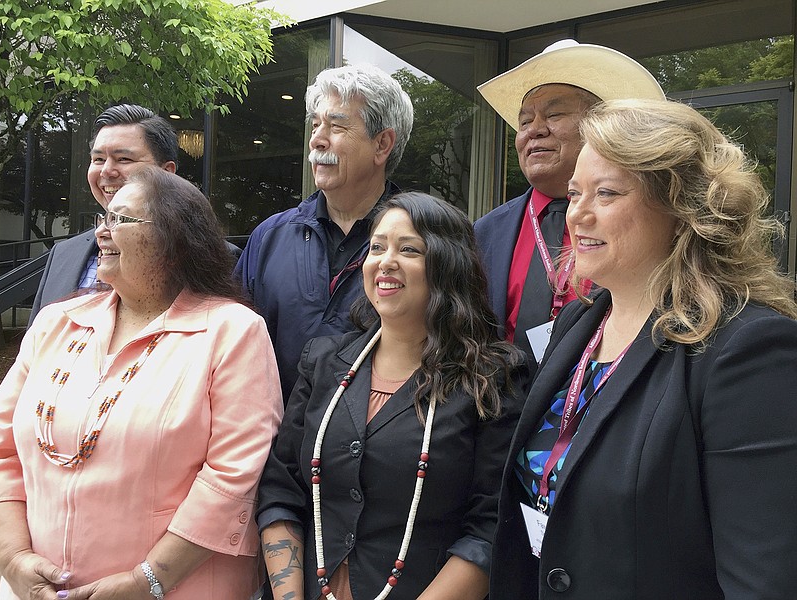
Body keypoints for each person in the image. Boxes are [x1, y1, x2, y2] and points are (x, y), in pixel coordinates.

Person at [490, 99, 797, 599]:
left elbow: (764, 580)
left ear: (682, 206)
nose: (578, 214)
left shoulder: (747, 350)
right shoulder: (579, 323)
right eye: (574, 193)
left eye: (606, 193)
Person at [0, 167, 283, 599]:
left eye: (122, 220)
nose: (103, 233)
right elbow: (2, 449)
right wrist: (12, 557)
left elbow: (232, 478)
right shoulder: (57, 323)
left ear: (174, 240)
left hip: (180, 589)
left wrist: (147, 581)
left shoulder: (233, 332)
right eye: (103, 219)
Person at [256, 192, 529, 600]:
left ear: (447, 265)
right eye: (377, 247)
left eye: (409, 250)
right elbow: (281, 491)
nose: (385, 261)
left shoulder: (492, 377)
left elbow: (490, 528)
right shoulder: (325, 361)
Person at [474, 40, 664, 365]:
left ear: (599, 125)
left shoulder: (647, 224)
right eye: (524, 121)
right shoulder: (485, 233)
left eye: (554, 114)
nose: (533, 131)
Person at [235, 63, 414, 401]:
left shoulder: (424, 242)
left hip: (377, 447)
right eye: (316, 125)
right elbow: (231, 349)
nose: (316, 140)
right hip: (270, 442)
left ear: (382, 144)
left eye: (336, 126)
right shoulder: (269, 237)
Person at [29, 104, 178, 326]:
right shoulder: (63, 255)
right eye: (98, 159)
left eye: (124, 159)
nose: (106, 171)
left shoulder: (207, 258)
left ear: (167, 173)